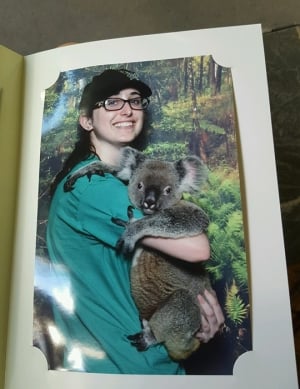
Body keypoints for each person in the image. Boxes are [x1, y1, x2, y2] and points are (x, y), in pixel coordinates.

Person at [46, 68, 224, 374]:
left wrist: (196, 318)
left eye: (134, 100)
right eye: (111, 102)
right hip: (127, 366)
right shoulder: (94, 188)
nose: (127, 109)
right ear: (86, 120)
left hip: (139, 356)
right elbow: (198, 248)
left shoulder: (106, 180)